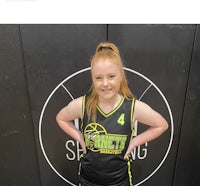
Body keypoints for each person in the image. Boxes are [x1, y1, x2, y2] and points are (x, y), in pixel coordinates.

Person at [56, 42, 168, 186]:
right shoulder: (83, 104)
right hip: (88, 180)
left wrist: (134, 142)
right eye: (98, 78)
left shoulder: (132, 107)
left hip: (119, 181)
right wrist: (80, 138)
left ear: (121, 76)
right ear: (93, 79)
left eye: (111, 76)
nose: (105, 83)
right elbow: (61, 118)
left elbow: (162, 125)